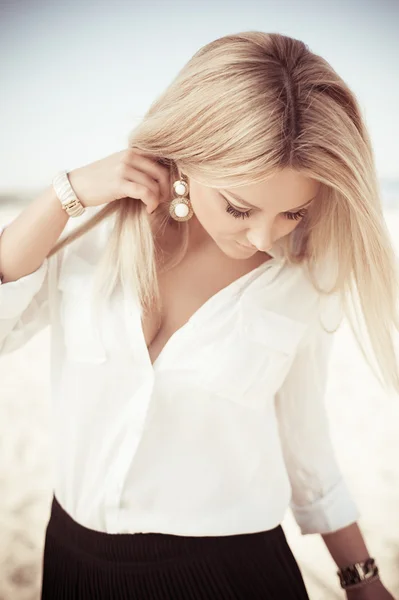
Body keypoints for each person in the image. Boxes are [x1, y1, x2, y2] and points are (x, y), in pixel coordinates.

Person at [0, 31, 397, 600]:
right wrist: (62, 197)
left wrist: (362, 582)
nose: (262, 236)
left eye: (292, 212)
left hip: (233, 573)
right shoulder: (90, 240)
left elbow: (306, 447)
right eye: (239, 207)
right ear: (187, 154)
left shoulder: (305, 278)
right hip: (72, 564)